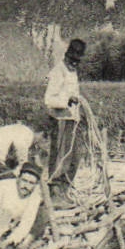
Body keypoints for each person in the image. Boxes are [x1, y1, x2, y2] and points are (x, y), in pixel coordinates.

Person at [43, 38, 85, 205]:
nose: (74, 63)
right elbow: (48, 99)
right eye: (72, 60)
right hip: (60, 119)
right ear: (67, 56)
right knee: (61, 157)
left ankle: (65, 189)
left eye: (77, 61)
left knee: (75, 157)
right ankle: (55, 191)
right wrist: (67, 100)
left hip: (72, 119)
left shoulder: (72, 72)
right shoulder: (57, 72)